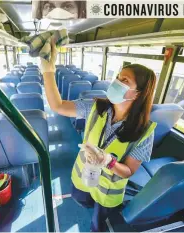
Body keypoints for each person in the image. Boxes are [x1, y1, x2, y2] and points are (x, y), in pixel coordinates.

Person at [40, 43, 157, 232]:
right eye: (118, 77)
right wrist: (48, 71)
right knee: (81, 200)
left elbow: (128, 171)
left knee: (98, 225)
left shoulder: (144, 131)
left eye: (125, 80)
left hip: (108, 192)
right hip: (83, 177)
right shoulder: (96, 107)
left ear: (138, 94)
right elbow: (58, 106)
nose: (116, 82)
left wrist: (108, 161)